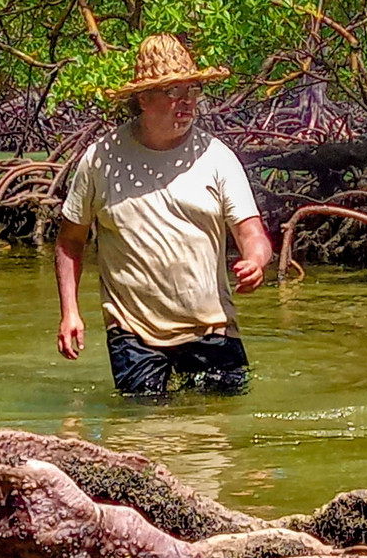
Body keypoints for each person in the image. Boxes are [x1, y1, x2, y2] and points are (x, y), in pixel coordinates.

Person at [55, 34, 272, 397]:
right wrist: (70, 312)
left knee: (220, 436)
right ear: (144, 99)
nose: (186, 102)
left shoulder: (217, 157)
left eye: (192, 91)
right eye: (172, 92)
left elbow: (252, 233)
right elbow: (69, 242)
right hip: (132, 333)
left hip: (212, 329)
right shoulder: (100, 159)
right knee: (143, 434)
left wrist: (256, 261)